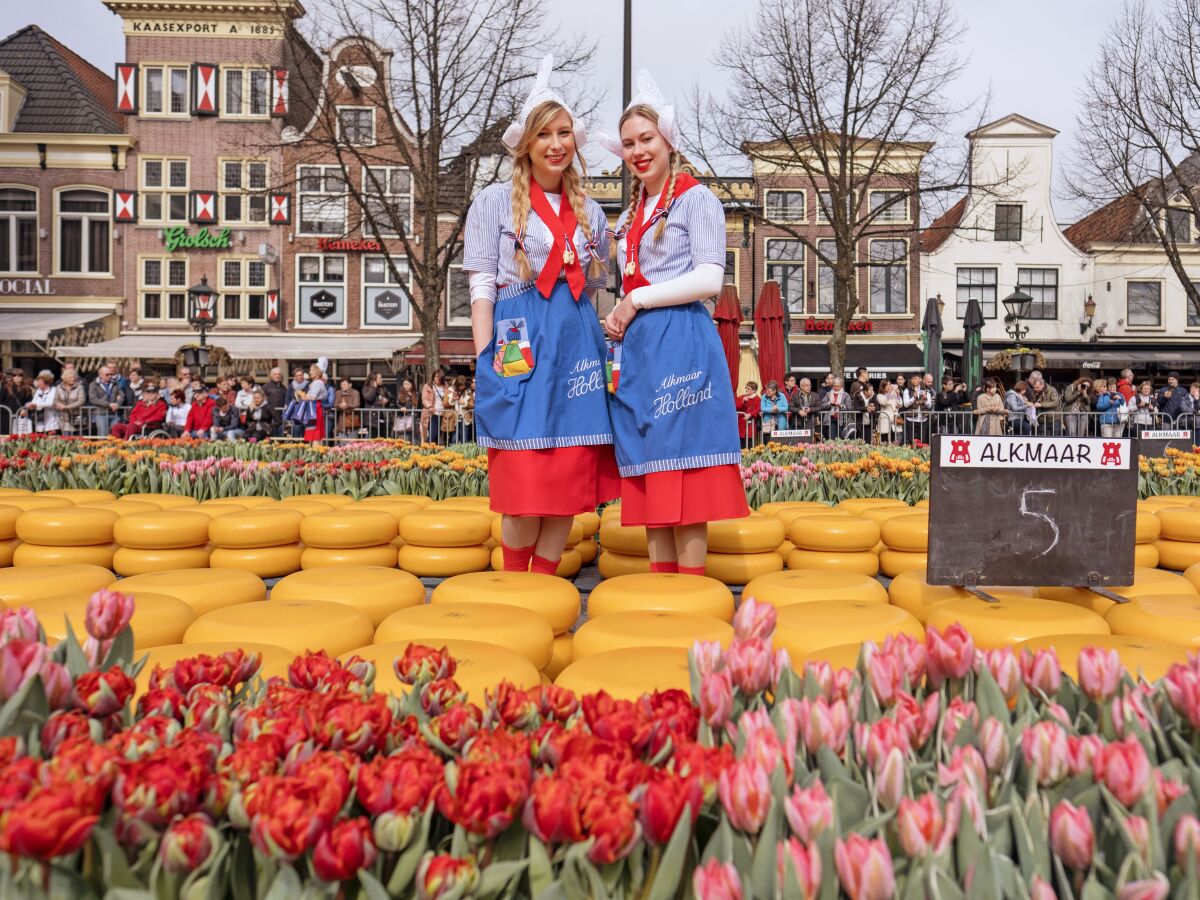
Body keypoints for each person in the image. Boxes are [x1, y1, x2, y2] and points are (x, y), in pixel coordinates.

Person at [465, 55, 620, 575]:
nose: (557, 144)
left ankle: (543, 586)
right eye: (545, 134)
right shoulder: (491, 202)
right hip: (518, 333)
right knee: (523, 481)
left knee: (565, 484)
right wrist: (485, 353)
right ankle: (514, 585)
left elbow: (598, 282)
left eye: (565, 133)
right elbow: (482, 279)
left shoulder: (591, 211)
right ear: (527, 144)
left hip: (575, 341)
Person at [598, 68, 748, 575]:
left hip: (682, 340)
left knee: (685, 473)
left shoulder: (696, 198)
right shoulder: (628, 215)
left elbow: (710, 277)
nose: (638, 151)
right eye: (628, 144)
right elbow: (614, 280)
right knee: (653, 472)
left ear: (668, 141)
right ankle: (663, 592)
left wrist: (635, 301)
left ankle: (690, 594)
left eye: (646, 139)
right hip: (640, 350)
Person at [1027, 371, 1061, 436]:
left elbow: (1055, 403)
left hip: (1054, 418)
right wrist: (1031, 402)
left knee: (1056, 437)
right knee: (1042, 438)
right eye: (1034, 388)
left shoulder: (1052, 390)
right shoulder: (1034, 392)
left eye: (1037, 387)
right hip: (1041, 419)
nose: (1036, 389)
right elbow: (1033, 402)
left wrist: (1041, 404)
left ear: (1042, 385)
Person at [901, 374, 932, 445]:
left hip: (923, 419)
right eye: (912, 379)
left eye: (915, 378)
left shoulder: (926, 391)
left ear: (920, 379)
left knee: (922, 440)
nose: (913, 380)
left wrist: (925, 399)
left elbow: (929, 405)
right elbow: (905, 404)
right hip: (911, 419)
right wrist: (913, 398)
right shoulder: (907, 390)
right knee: (912, 441)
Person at [54, 369, 85, 435]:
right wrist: (58, 404)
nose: (73, 379)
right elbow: (55, 400)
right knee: (66, 439)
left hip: (76, 418)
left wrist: (66, 407)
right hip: (64, 419)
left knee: (78, 440)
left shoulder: (79, 387)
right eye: (70, 377)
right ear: (64, 378)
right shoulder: (59, 387)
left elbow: (81, 401)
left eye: (74, 377)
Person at [361, 372, 391, 437]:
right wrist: (374, 388)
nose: (382, 380)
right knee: (373, 439)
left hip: (382, 417)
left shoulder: (383, 388)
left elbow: (390, 399)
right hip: (372, 419)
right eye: (380, 378)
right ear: (374, 380)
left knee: (384, 438)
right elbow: (369, 398)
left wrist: (387, 400)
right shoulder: (366, 388)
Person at [422, 369, 447, 444]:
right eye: (436, 376)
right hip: (432, 413)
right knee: (432, 435)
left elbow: (449, 396)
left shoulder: (445, 386)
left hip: (443, 413)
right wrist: (429, 406)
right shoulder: (427, 386)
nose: (437, 378)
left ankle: (435, 452)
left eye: (439, 377)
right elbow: (424, 399)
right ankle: (427, 451)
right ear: (433, 376)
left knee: (438, 435)